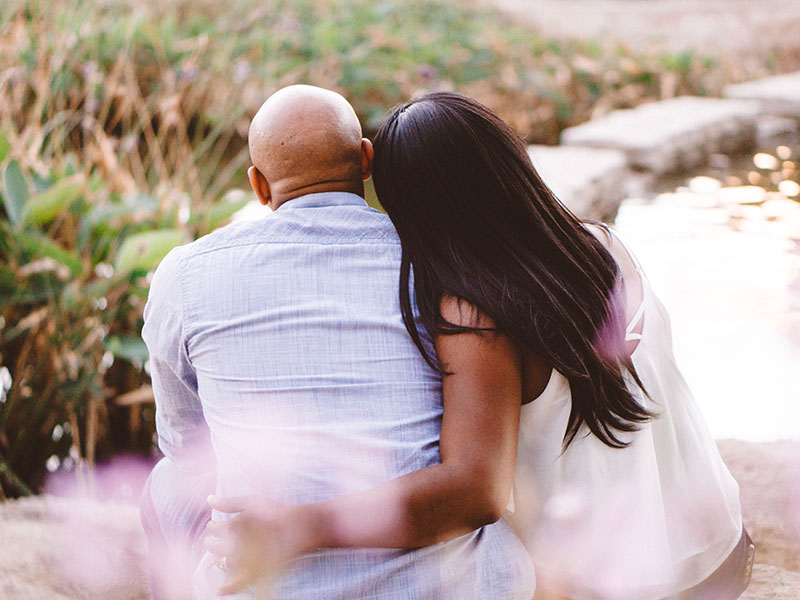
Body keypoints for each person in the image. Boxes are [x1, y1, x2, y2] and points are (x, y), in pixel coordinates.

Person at [209, 93, 753, 600]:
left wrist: (299, 526)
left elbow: (474, 490)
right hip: (718, 549)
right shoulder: (601, 247)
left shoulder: (475, 315)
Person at [139, 85, 535, 599]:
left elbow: (187, 444)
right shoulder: (438, 260)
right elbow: (482, 487)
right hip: (449, 586)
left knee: (168, 481)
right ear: (366, 160)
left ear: (259, 187)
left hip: (268, 577)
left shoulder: (185, 275)